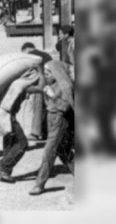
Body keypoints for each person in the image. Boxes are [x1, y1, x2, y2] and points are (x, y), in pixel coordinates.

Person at [0, 57, 43, 183]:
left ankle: (5, 172)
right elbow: (39, 89)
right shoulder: (21, 84)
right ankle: (4, 166)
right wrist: (40, 71)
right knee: (22, 143)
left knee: (9, 143)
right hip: (7, 116)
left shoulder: (11, 82)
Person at [28, 59, 75, 195]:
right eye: (45, 72)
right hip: (53, 122)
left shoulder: (65, 86)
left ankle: (39, 184)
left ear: (57, 72)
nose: (47, 74)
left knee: (49, 152)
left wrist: (53, 96)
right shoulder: (52, 84)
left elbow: (66, 107)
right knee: (64, 153)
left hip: (60, 121)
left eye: (49, 72)